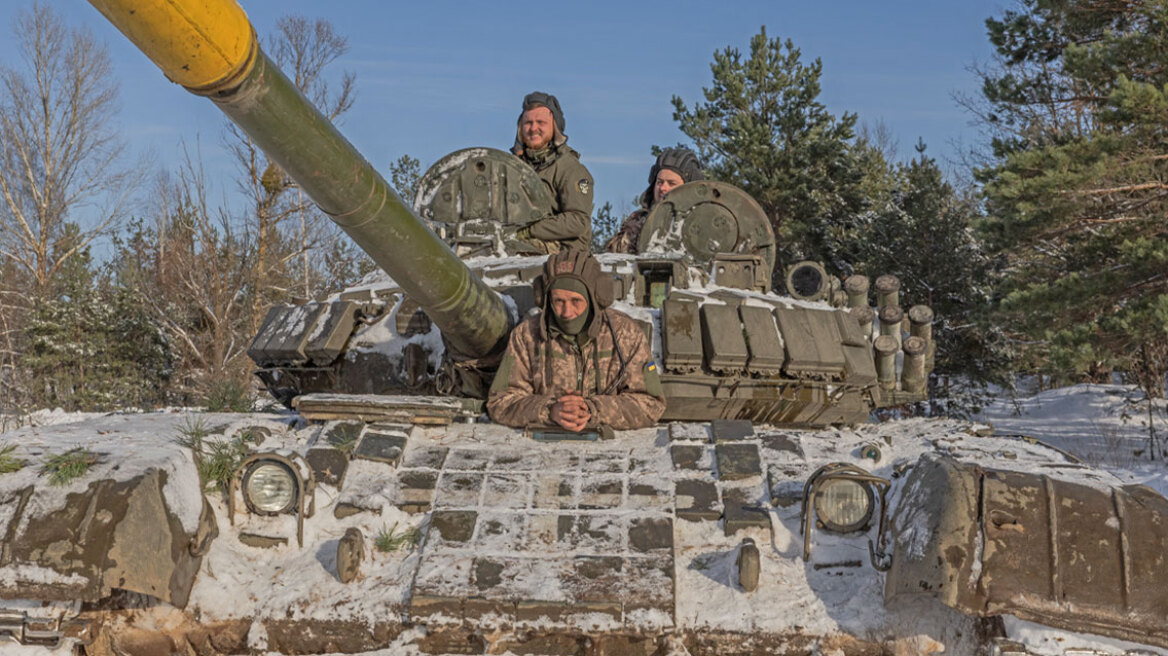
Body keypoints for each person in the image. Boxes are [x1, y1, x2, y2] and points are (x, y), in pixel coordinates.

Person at [487, 250, 665, 431]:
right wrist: (549, 411)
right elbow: (501, 401)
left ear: (595, 297)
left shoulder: (626, 334)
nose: (567, 312)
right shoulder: (526, 336)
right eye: (558, 301)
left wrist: (592, 410)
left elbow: (651, 403)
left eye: (576, 301)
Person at [510, 92, 594, 253]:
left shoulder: (569, 168)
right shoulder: (513, 167)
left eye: (540, 122)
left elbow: (578, 221)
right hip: (517, 242)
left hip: (563, 252)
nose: (533, 128)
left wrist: (527, 231)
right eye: (528, 123)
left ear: (555, 126)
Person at [605, 147, 704, 254]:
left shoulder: (703, 224)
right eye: (659, 182)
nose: (663, 188)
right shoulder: (637, 222)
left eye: (671, 183)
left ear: (688, 189)